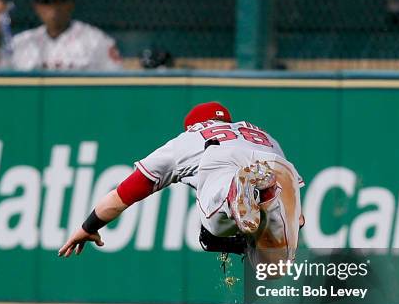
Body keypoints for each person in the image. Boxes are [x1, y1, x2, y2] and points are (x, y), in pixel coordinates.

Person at [59, 102, 305, 272]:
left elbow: (121, 196)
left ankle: (233, 194)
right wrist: (293, 220)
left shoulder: (187, 140)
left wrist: (88, 227)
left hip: (222, 163)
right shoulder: (262, 135)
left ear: (192, 125)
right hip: (278, 170)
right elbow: (298, 213)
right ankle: (262, 197)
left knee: (213, 226)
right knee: (274, 267)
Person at [0, 0, 122, 71]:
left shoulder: (95, 41)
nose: (53, 8)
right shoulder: (23, 42)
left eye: (58, 0)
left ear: (70, 4)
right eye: (46, 2)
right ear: (37, 7)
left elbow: (117, 80)